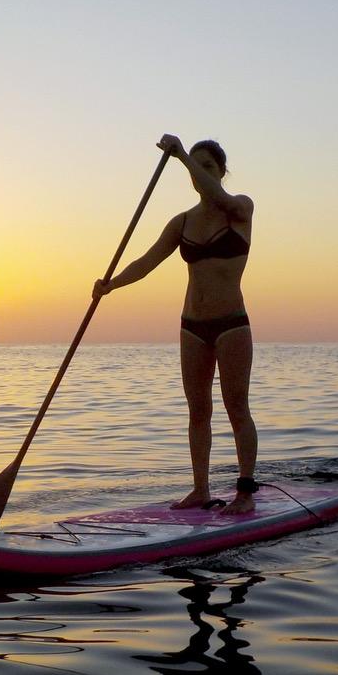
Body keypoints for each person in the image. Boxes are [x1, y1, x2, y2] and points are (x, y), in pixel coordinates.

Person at [93, 134, 258, 514]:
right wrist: (110, 285)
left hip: (232, 324)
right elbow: (146, 262)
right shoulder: (182, 221)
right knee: (198, 411)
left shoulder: (240, 209)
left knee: (237, 408)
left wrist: (183, 154)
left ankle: (245, 493)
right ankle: (201, 489)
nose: (199, 174)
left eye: (208, 167)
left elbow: (221, 197)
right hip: (191, 327)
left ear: (222, 172)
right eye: (196, 168)